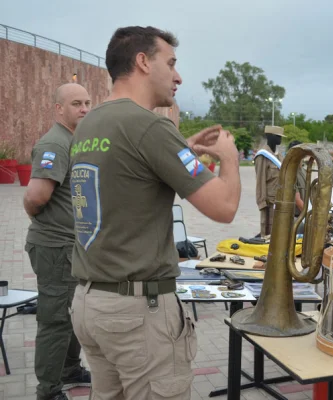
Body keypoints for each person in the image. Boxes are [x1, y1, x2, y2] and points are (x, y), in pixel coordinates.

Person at [69, 26, 241, 400]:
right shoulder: (150, 126)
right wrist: (229, 159)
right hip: (137, 313)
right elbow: (225, 208)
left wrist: (182, 150)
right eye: (171, 63)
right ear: (143, 62)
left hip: (91, 302)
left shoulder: (90, 124)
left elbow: (130, 175)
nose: (178, 76)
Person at [23, 83, 92, 400]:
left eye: (87, 103)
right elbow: (36, 197)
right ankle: (48, 390)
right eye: (76, 103)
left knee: (73, 313)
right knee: (55, 319)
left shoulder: (74, 140)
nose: (84, 109)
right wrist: (36, 215)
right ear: (59, 108)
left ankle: (69, 370)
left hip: (72, 246)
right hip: (54, 247)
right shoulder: (55, 143)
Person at [255, 126, 285, 236]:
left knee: (279, 233)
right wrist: (261, 202)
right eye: (278, 136)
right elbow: (260, 180)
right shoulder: (262, 156)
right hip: (269, 202)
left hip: (280, 201)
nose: (280, 139)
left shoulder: (279, 156)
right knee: (267, 234)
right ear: (270, 136)